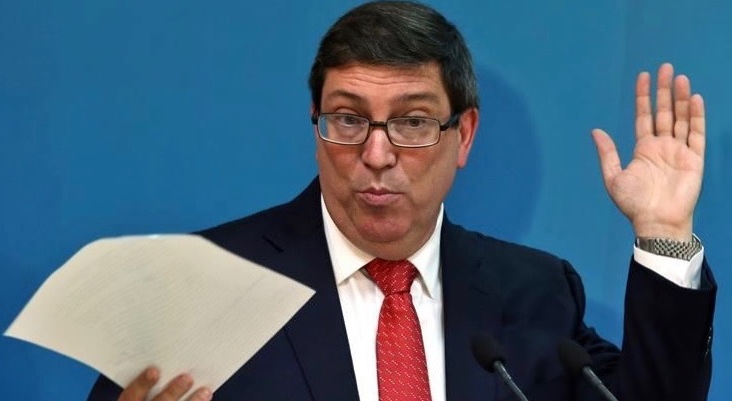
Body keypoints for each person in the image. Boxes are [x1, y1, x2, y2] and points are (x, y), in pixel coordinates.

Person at [87, 1, 717, 400]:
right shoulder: (207, 282)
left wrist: (664, 233)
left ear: (463, 136)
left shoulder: (536, 293)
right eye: (348, 119)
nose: (377, 154)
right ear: (316, 126)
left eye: (412, 122)